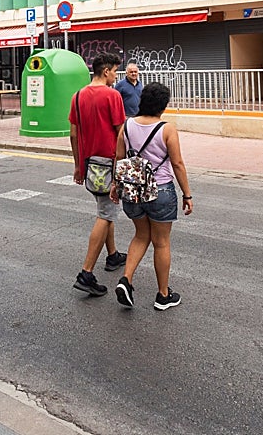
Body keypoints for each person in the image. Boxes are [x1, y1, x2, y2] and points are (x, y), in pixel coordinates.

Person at [113, 82, 193, 311]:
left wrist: (114, 185)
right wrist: (187, 194)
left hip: (132, 191)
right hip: (160, 190)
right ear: (163, 106)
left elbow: (118, 158)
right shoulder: (167, 129)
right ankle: (163, 295)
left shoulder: (126, 126)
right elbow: (177, 163)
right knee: (161, 242)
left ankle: (126, 279)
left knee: (140, 236)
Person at [68, 53, 128, 295]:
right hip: (109, 163)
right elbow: (121, 134)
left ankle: (112, 255)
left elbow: (73, 134)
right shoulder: (112, 95)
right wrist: (122, 167)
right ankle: (86, 272)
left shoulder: (78, 96)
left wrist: (77, 166)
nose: (116, 76)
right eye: (115, 71)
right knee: (105, 214)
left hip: (89, 163)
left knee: (105, 209)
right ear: (106, 72)